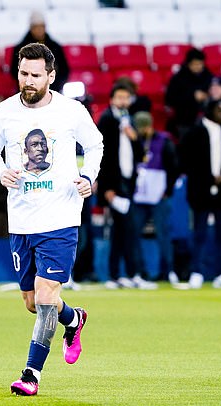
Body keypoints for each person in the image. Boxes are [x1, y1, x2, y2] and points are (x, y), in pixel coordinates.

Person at [0, 42, 103, 396]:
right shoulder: (3, 113)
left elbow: (95, 145)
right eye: (23, 73)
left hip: (61, 217)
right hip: (21, 220)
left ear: (51, 75)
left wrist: (89, 176)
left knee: (46, 296)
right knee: (34, 302)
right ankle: (74, 319)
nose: (28, 81)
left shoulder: (71, 111)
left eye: (35, 75)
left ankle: (31, 374)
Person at [178, 100, 221, 289]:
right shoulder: (194, 133)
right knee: (199, 232)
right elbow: (186, 160)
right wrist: (206, 178)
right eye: (219, 110)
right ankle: (196, 272)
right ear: (208, 111)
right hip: (200, 192)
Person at [97, 82, 156, 290]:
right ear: (112, 99)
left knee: (121, 231)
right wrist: (107, 188)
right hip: (115, 185)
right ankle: (132, 273)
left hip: (128, 182)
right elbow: (102, 157)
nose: (123, 101)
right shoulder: (106, 120)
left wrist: (134, 137)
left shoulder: (128, 120)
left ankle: (116, 275)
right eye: (119, 97)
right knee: (127, 229)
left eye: (126, 97)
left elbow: (140, 154)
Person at [131, 111, 180, 286]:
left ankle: (167, 271)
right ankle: (140, 271)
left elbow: (174, 167)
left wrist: (167, 190)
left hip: (159, 195)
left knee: (163, 233)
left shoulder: (164, 141)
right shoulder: (135, 141)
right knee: (133, 233)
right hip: (138, 195)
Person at [9, 10, 70, 93]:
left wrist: (53, 85)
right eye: (36, 27)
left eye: (41, 26)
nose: (39, 30)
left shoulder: (55, 47)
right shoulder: (20, 48)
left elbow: (64, 70)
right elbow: (15, 71)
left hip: (53, 89)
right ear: (31, 28)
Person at [164, 47, 213, 140]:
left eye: (200, 64)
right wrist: (192, 96)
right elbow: (170, 99)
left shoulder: (208, 76)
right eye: (195, 64)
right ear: (188, 64)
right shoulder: (178, 78)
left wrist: (207, 95)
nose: (198, 67)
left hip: (206, 117)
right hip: (184, 119)